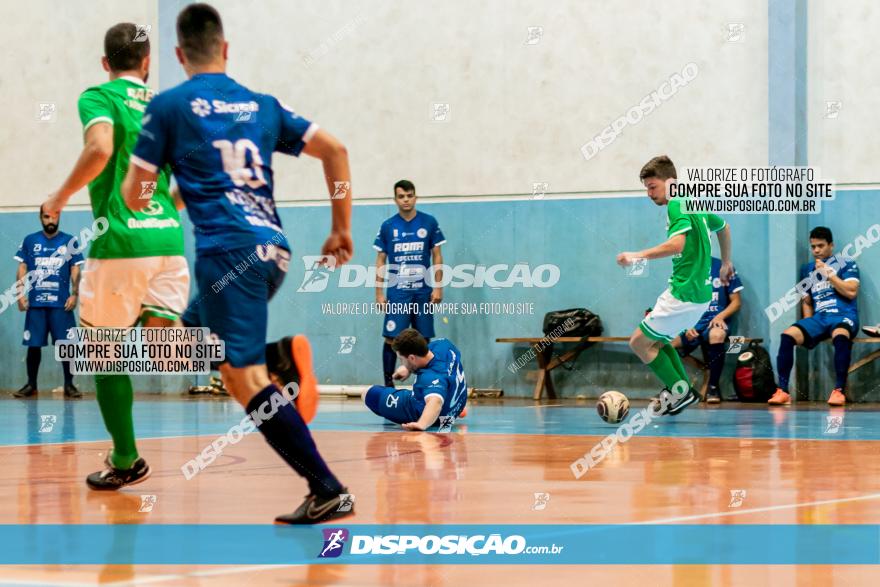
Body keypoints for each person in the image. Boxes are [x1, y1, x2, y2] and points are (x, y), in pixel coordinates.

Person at [121, 3, 353, 524]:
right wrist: (341, 227)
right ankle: (280, 357)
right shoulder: (261, 104)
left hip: (228, 253)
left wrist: (145, 192)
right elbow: (336, 151)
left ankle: (327, 487)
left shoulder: (169, 107)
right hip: (272, 251)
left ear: (179, 55)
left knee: (244, 380)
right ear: (225, 49)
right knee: (175, 348)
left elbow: (135, 194)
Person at [44, 22, 190, 489]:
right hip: (169, 243)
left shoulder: (99, 96)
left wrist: (60, 197)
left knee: (104, 355)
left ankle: (126, 458)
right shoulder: (167, 108)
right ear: (147, 63)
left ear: (106, 63)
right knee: (161, 343)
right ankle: (240, 355)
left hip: (120, 244)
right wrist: (165, 206)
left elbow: (101, 147)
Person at [616, 155, 733, 415]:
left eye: (652, 186)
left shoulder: (677, 203)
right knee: (658, 341)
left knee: (638, 342)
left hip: (685, 292)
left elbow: (676, 245)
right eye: (646, 187)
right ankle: (682, 391)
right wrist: (726, 262)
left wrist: (636, 255)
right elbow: (724, 227)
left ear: (670, 182)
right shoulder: (694, 201)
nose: (649, 193)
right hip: (697, 294)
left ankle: (679, 392)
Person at [769, 226, 860, 406]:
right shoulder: (807, 270)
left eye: (821, 246)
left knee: (840, 335)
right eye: (813, 247)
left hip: (843, 316)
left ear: (831, 245)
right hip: (820, 318)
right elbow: (807, 301)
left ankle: (838, 391)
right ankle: (783, 391)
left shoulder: (846, 263)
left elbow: (851, 292)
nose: (816, 251)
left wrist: (829, 274)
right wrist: (806, 325)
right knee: (787, 335)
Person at [374, 180, 445, 386]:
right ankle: (389, 386)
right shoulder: (388, 226)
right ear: (395, 199)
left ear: (415, 197)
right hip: (398, 293)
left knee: (423, 341)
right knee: (391, 339)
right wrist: (379, 293)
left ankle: (425, 383)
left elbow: (437, 257)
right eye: (401, 196)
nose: (406, 200)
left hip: (423, 293)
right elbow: (380, 260)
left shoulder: (429, 222)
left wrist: (438, 287)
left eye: (409, 195)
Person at [13, 205, 84, 398]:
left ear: (59, 216)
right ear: (40, 218)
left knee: (67, 345)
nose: (50, 221)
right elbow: (22, 269)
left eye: (53, 217)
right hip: (36, 304)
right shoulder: (30, 240)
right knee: (33, 345)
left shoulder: (70, 241)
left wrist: (75, 294)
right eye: (46, 217)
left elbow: (75, 270)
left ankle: (69, 385)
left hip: (61, 304)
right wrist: (20, 295)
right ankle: (31, 385)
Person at [671, 256, 743, 403]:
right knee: (665, 347)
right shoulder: (686, 268)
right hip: (694, 324)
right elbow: (681, 303)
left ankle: (713, 387)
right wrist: (686, 325)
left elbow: (736, 302)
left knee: (717, 335)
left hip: (716, 322)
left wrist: (720, 316)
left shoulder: (724, 267)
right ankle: (679, 388)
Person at [363, 328, 467, 430]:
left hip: (430, 415)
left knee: (368, 394)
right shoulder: (444, 344)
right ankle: (453, 407)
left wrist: (422, 424)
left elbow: (436, 402)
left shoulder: (429, 377)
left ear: (412, 358)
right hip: (457, 404)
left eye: (401, 359)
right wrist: (408, 368)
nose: (401, 363)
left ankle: (435, 414)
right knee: (444, 385)